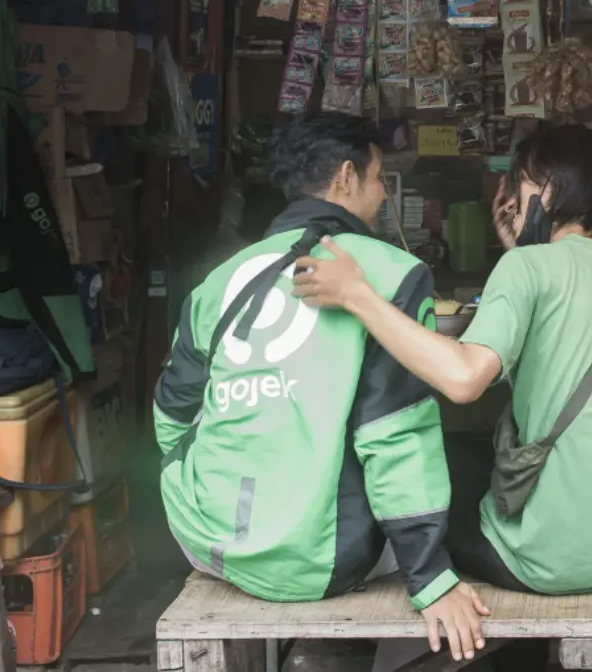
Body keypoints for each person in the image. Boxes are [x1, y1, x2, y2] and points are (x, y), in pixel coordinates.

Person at [153, 114, 489, 660]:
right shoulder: (391, 272)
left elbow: (170, 416)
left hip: (206, 539)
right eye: (379, 180)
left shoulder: (219, 279)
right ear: (345, 177)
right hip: (322, 561)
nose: (381, 196)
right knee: (464, 474)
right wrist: (430, 580)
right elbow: (395, 433)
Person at [293, 123, 592, 597]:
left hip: (548, 561)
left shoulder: (528, 269)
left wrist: (356, 294)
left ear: (550, 189)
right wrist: (522, 256)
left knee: (431, 462)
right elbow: (561, 338)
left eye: (520, 184)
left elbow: (465, 380)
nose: (513, 199)